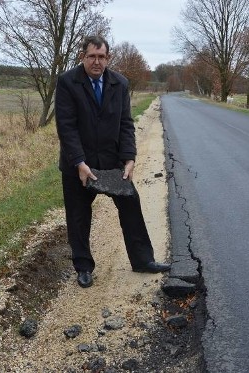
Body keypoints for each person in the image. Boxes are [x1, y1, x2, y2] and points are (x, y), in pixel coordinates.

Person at [55, 35, 171, 288]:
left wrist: (129, 158)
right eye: (91, 56)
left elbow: (126, 124)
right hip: (78, 165)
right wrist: (79, 163)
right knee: (78, 216)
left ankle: (143, 260)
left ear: (108, 58)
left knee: (131, 204)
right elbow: (66, 127)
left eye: (101, 57)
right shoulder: (67, 83)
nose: (97, 62)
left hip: (111, 162)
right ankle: (83, 267)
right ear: (82, 57)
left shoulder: (120, 83)